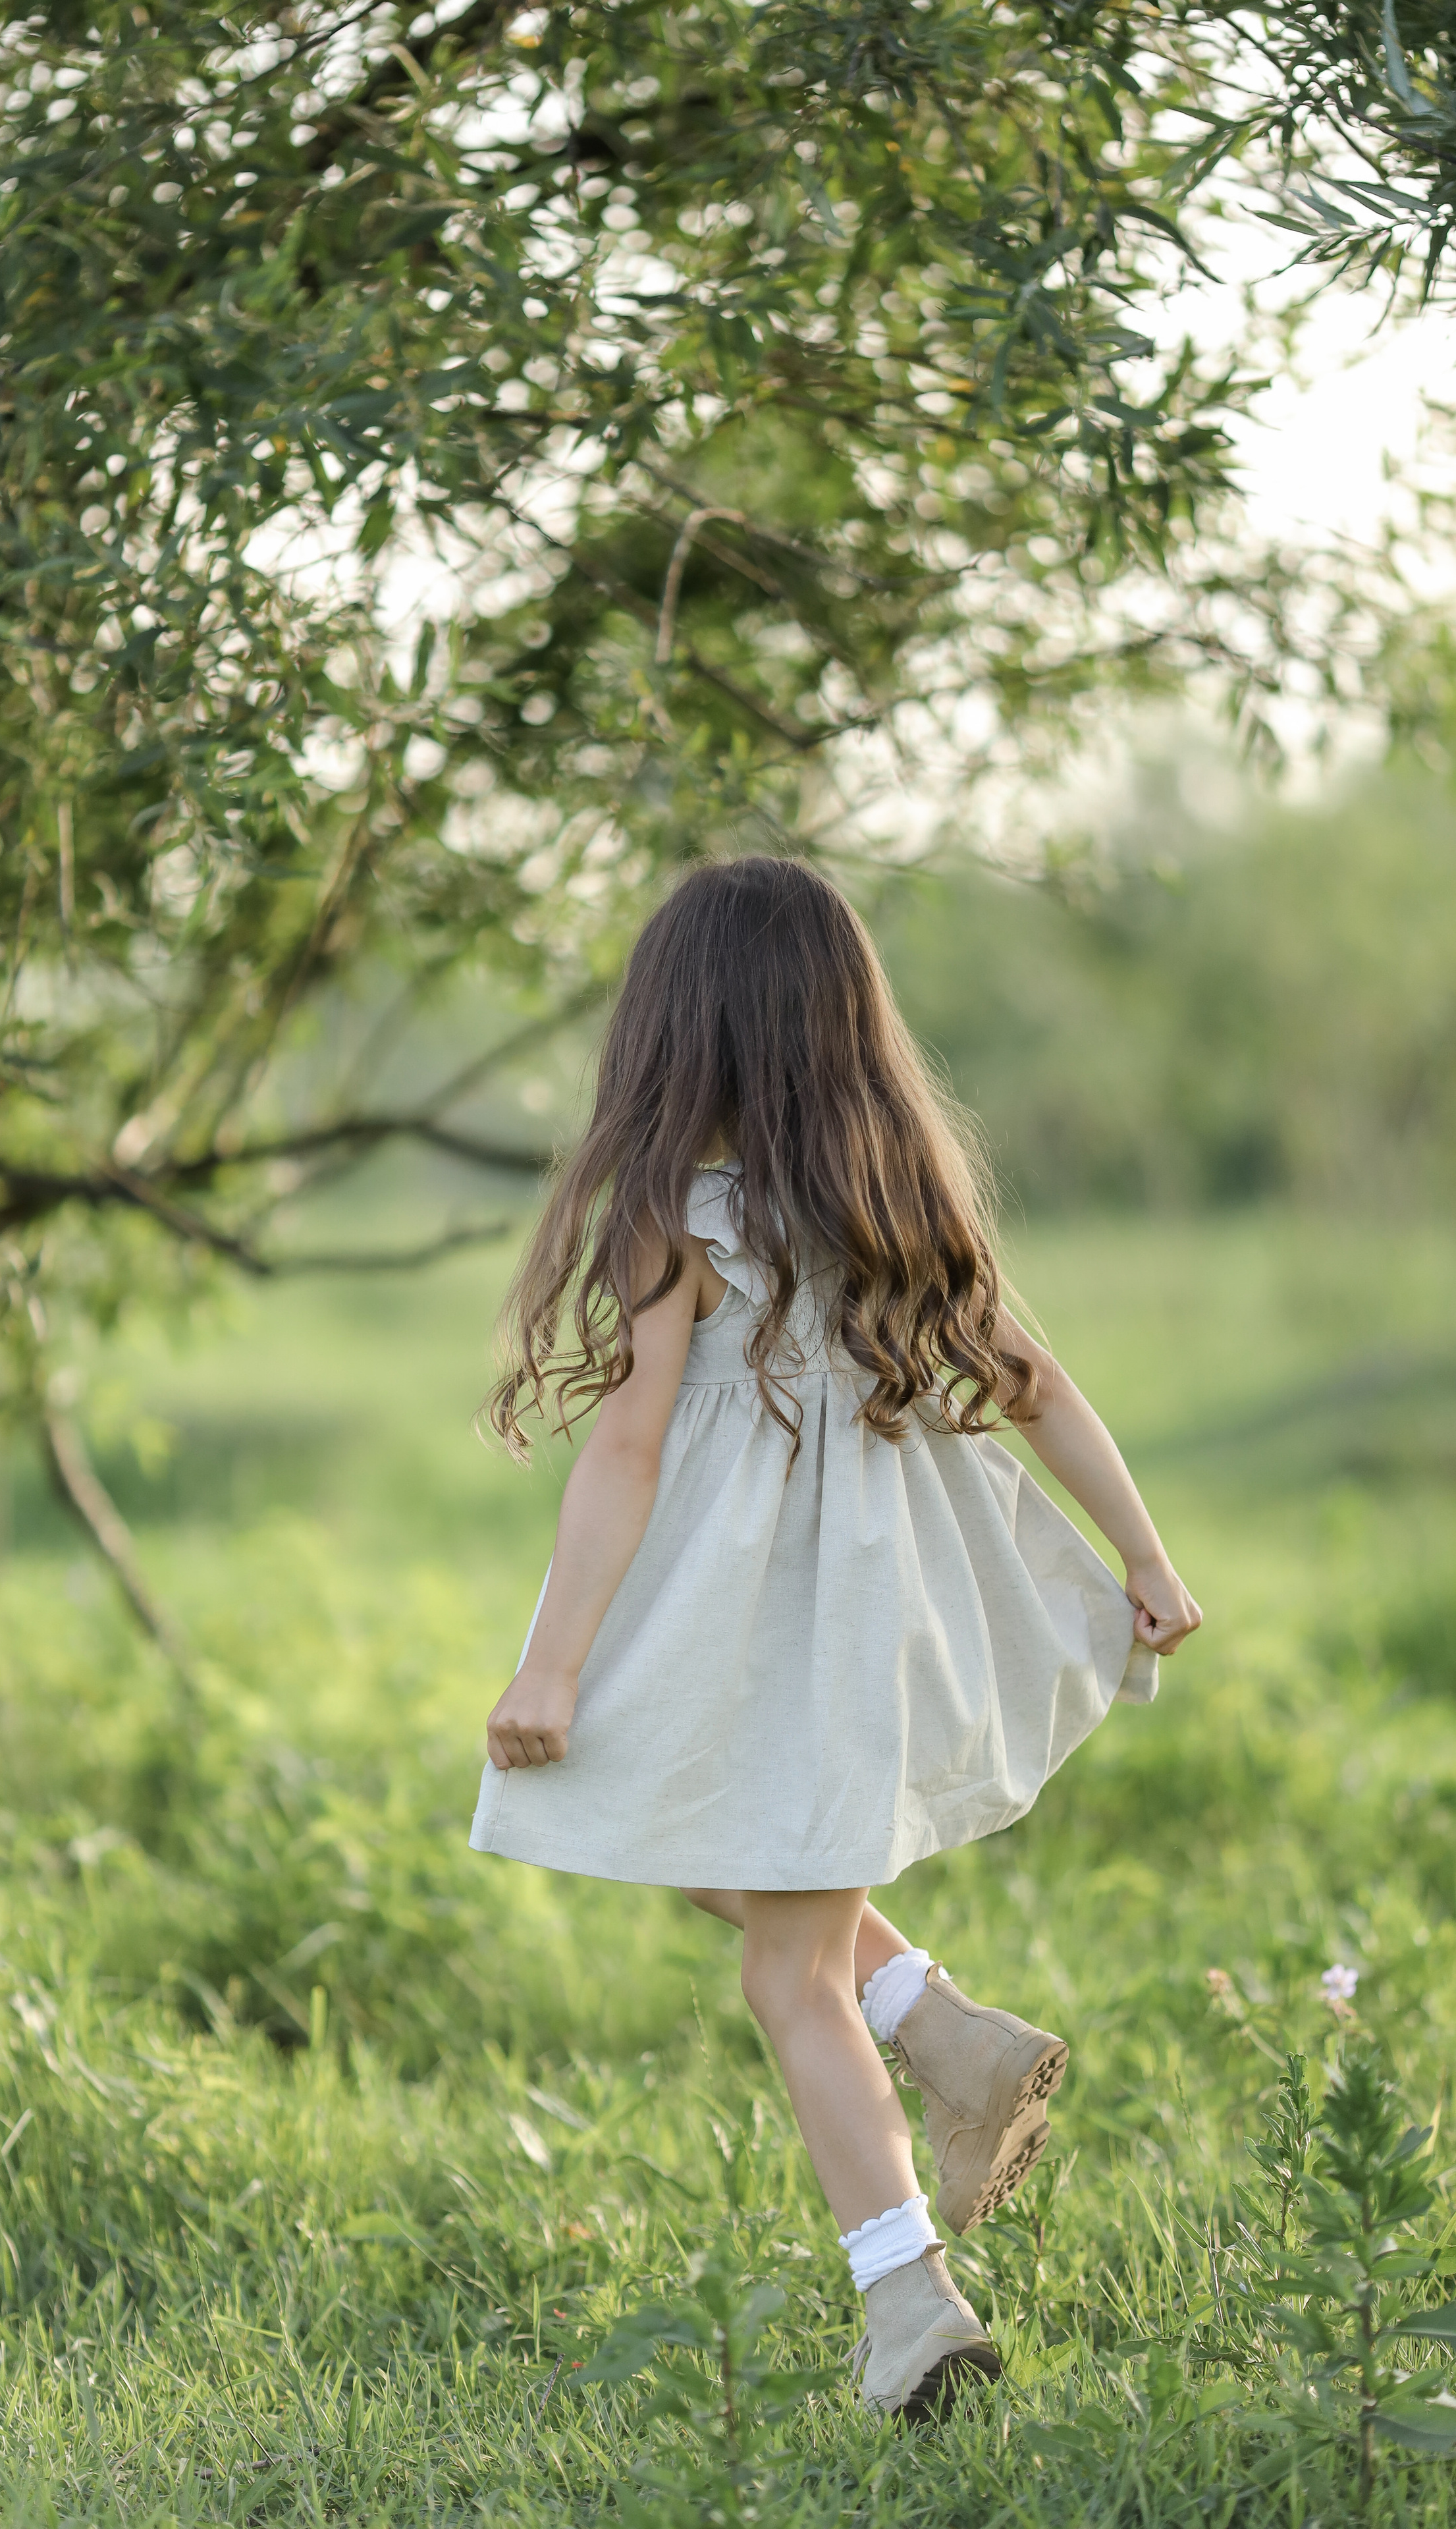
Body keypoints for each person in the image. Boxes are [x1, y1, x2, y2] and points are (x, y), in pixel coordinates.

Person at [469, 856, 1201, 2420]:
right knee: (697, 1844)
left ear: (678, 1034)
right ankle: (943, 2030)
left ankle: (908, 2301)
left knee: (789, 1974)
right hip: (857, 1635)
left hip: (762, 1636)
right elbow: (1033, 1384)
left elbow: (624, 1451)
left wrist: (552, 1661)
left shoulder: (677, 1217)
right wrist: (1139, 1556)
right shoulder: (893, 1203)